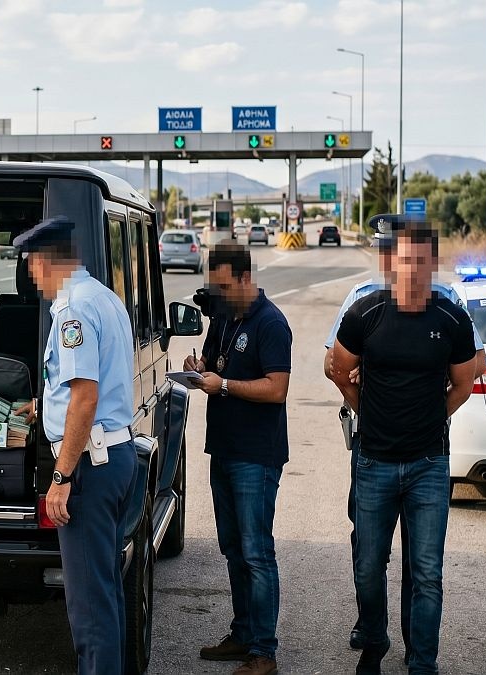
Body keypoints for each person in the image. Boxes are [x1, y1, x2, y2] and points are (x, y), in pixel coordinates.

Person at [323, 214, 486, 662]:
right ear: (391, 263)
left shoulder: (451, 317)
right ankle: (374, 643)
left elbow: (466, 382)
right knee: (368, 570)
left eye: (421, 260)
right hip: (373, 460)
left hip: (429, 466)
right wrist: (366, 410)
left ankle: (423, 663)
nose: (412, 268)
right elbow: (337, 368)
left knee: (428, 574)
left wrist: (434, 419)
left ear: (432, 264)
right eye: (404, 260)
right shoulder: (365, 311)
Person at [12, 216, 137, 675]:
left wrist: (61, 478)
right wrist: (44, 404)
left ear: (46, 261)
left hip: (89, 466)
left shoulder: (72, 310)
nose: (31, 278)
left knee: (88, 606)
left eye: (31, 267)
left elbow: (86, 395)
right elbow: (86, 383)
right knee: (104, 592)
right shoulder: (104, 298)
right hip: (115, 456)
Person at [185, 242, 291, 675]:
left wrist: (223, 385)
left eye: (225, 285)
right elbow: (214, 361)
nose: (219, 292)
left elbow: (276, 388)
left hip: (256, 456)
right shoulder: (226, 316)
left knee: (256, 552)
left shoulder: (272, 323)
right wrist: (199, 367)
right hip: (224, 449)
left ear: (246, 278)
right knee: (233, 550)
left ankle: (264, 652)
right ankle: (243, 633)